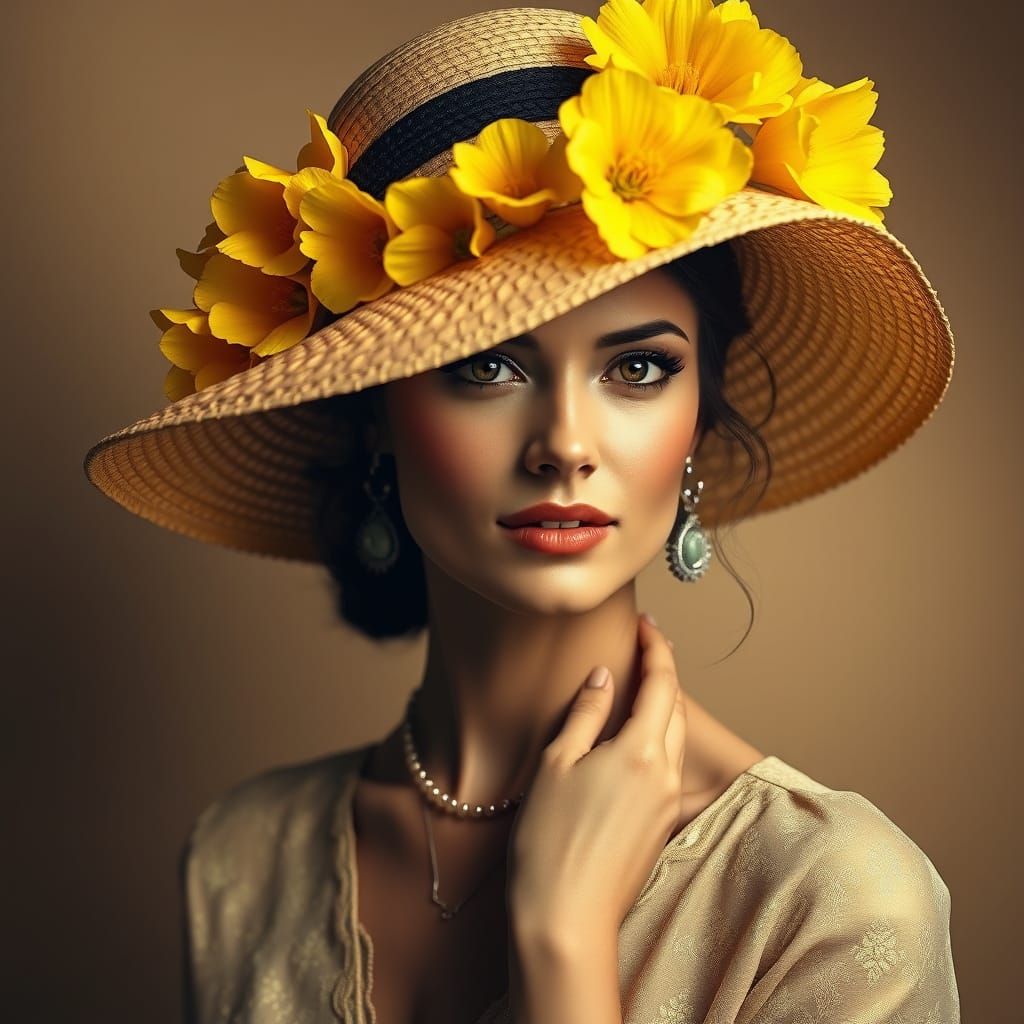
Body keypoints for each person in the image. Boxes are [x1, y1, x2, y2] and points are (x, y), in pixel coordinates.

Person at [82, 5, 961, 1023]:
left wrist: (561, 945)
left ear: (696, 419)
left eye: (637, 368)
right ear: (375, 418)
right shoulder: (239, 860)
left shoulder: (830, 899)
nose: (566, 445)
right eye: (486, 366)